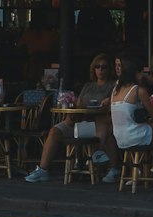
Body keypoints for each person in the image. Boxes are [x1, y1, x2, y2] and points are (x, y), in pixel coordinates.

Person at [25, 55, 116, 183]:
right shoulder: (88, 86)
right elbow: (79, 102)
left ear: (109, 69)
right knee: (54, 131)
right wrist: (75, 105)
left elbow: (116, 103)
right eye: (97, 66)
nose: (100, 70)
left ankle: (110, 165)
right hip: (81, 120)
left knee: (104, 125)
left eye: (104, 67)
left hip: (98, 122)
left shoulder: (113, 86)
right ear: (93, 69)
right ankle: (42, 170)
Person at [110, 54, 153, 191]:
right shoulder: (138, 90)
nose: (143, 75)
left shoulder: (115, 88)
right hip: (133, 135)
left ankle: (150, 168)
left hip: (119, 136)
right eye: (142, 72)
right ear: (135, 72)